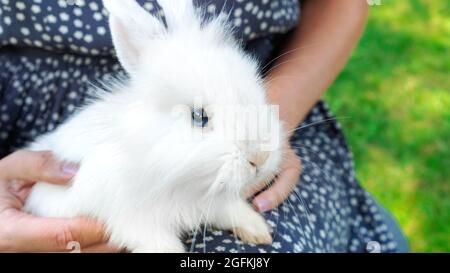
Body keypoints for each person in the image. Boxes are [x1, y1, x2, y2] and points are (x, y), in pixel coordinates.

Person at [0, 0, 408, 252]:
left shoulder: (220, 84)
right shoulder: (125, 154)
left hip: (288, 91)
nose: (256, 153)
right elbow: (123, 211)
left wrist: (228, 204)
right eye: (200, 119)